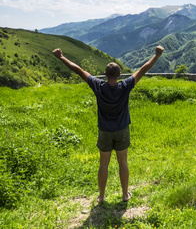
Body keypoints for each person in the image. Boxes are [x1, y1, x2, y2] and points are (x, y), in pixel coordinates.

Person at [52, 46, 164, 202]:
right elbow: (143, 70)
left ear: (105, 74)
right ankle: (125, 195)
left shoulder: (98, 86)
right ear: (119, 74)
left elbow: (78, 70)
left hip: (105, 131)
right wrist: (157, 55)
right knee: (123, 162)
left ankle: (102, 197)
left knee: (103, 165)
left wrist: (61, 57)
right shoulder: (126, 86)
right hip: (122, 130)